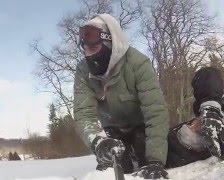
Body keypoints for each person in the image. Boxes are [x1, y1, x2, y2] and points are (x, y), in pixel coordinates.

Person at [73, 13, 170, 179]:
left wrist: (156, 160)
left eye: (94, 49)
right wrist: (98, 141)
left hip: (141, 125)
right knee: (110, 166)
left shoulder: (138, 63)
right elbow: (84, 114)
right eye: (85, 50)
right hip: (111, 129)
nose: (89, 55)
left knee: (147, 159)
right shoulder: (83, 70)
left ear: (111, 44)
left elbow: (156, 111)